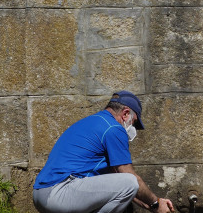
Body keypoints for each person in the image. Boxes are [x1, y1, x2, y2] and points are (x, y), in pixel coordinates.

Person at [33, 91, 174, 213]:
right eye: (134, 122)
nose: (133, 128)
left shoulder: (92, 122)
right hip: (59, 194)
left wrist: (151, 206)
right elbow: (130, 179)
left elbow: (119, 181)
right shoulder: (113, 128)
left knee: (127, 184)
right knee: (130, 181)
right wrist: (156, 202)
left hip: (41, 195)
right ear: (125, 114)